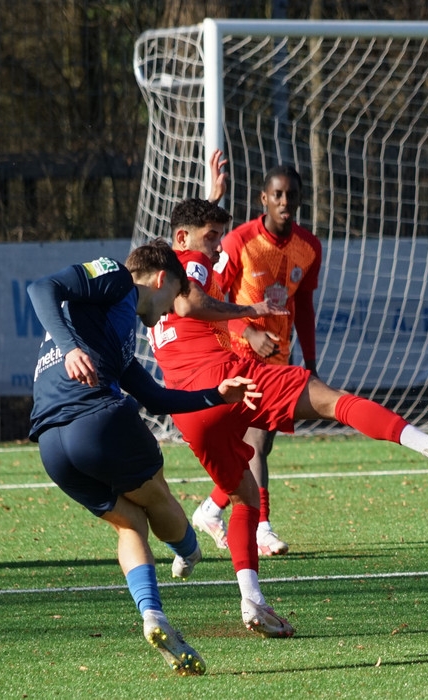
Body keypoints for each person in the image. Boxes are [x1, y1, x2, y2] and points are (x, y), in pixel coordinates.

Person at [149, 194, 428, 638]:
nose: (216, 247)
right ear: (182, 238)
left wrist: (211, 197)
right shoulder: (192, 263)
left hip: (188, 410)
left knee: (245, 495)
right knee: (329, 399)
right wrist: (249, 310)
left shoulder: (155, 287)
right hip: (227, 378)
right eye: (211, 238)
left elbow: (186, 275)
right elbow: (190, 301)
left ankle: (252, 600)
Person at [27, 241, 263, 675]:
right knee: (159, 497)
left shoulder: (113, 337)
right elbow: (41, 287)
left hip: (51, 446)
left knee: (129, 522)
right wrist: (71, 348)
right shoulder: (117, 277)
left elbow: (156, 397)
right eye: (176, 294)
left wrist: (216, 394)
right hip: (95, 418)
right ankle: (189, 550)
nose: (174, 307)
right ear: (160, 278)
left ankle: (152, 614)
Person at [192, 159, 321, 558]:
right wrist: (247, 331)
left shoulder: (309, 247)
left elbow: (305, 307)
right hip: (238, 356)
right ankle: (262, 527)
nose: (284, 202)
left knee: (253, 447)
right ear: (263, 198)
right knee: (256, 442)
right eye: (277, 194)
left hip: (278, 357)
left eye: (291, 195)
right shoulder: (239, 242)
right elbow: (210, 299)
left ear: (299, 199)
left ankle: (211, 509)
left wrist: (310, 363)